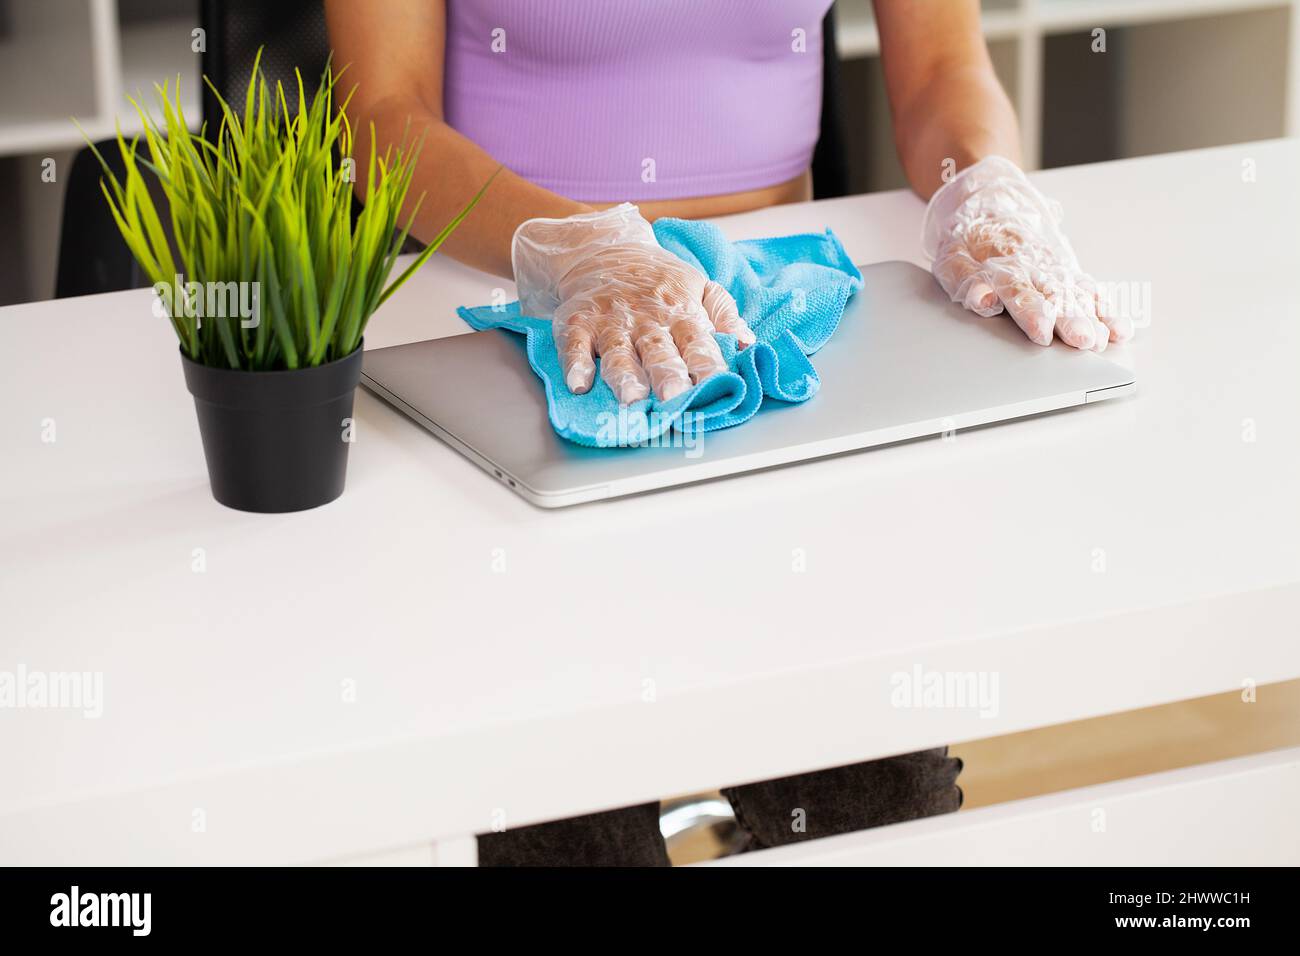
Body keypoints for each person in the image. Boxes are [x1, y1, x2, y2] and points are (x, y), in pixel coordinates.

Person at [325, 0, 1133, 865]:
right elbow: (380, 117)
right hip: (512, 307)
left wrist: (984, 186)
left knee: (874, 810)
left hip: (773, 312)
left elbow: (941, 68)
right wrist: (584, 247)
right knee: (570, 814)